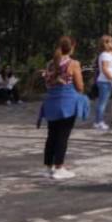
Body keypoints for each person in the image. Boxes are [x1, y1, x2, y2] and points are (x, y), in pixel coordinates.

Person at [41, 36, 84, 180]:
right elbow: (79, 86)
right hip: (67, 103)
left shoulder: (50, 64)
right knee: (63, 136)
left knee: (51, 135)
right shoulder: (73, 63)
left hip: (51, 102)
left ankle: (48, 166)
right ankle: (59, 167)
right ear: (73, 46)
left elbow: (47, 83)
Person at [94, 35, 112, 131]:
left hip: (107, 81)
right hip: (105, 81)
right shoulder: (104, 55)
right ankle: (99, 122)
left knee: (102, 102)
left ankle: (97, 121)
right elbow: (105, 69)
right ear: (106, 43)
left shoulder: (109, 54)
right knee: (102, 103)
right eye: (111, 41)